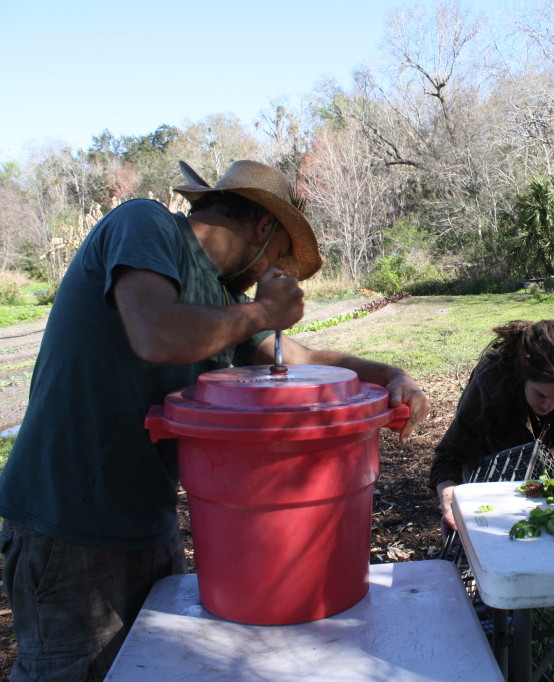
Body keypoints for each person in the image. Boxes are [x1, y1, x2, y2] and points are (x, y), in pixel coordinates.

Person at [0, 159, 430, 680]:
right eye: (279, 258)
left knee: (151, 669)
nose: (276, 272)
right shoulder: (145, 224)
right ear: (263, 227)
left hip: (148, 520)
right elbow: (156, 332)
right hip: (68, 524)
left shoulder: (222, 300)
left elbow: (295, 356)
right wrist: (263, 312)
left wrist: (388, 374)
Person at [430, 320, 554, 531]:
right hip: (485, 455)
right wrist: (450, 503)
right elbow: (449, 458)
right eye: (540, 394)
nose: (548, 406)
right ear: (524, 375)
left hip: (537, 455)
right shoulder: (491, 384)